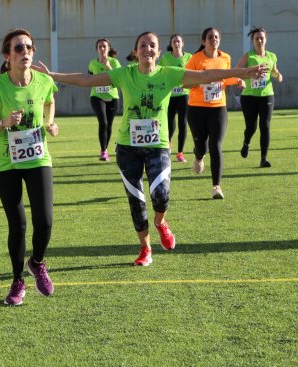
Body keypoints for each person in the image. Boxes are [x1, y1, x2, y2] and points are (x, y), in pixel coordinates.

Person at [33, 31, 266, 266]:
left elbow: (207, 75)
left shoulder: (169, 74)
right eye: (142, 45)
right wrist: (53, 75)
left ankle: (160, 222)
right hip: (127, 148)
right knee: (137, 203)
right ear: (136, 51)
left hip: (158, 146)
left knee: (161, 197)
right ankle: (146, 248)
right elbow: (87, 80)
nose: (147, 49)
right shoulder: (125, 74)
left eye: (152, 45)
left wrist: (243, 72)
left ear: (157, 50)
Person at [0, 28, 58, 305]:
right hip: (5, 164)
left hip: (38, 158)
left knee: (45, 221)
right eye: (18, 48)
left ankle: (37, 263)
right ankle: (17, 281)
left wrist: (50, 123)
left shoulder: (44, 81)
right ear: (7, 55)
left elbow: (50, 101)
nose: (25, 52)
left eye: (28, 47)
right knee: (18, 225)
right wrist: (4, 123)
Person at [185, 27, 246, 199]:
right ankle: (198, 156)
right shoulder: (195, 59)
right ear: (203, 41)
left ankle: (216, 186)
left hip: (218, 107)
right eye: (210, 37)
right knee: (201, 145)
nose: (214, 39)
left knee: (216, 145)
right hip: (197, 108)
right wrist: (201, 80)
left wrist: (238, 80)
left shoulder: (225, 58)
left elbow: (226, 77)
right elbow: (185, 81)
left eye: (216, 37)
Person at [235, 26, 283, 168]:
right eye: (257, 38)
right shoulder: (248, 56)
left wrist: (278, 76)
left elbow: (273, 71)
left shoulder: (271, 56)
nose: (260, 40)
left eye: (262, 38)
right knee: (251, 127)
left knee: (265, 126)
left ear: (266, 39)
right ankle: (246, 142)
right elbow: (237, 72)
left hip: (267, 95)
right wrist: (250, 74)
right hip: (249, 96)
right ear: (252, 40)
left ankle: (263, 159)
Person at [158, 34, 192, 162]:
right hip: (170, 96)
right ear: (171, 44)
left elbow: (195, 72)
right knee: (169, 124)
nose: (176, 43)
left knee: (183, 124)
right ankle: (168, 146)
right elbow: (160, 72)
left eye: (178, 41)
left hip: (184, 94)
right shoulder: (166, 58)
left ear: (182, 43)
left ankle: (180, 153)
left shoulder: (189, 57)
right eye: (174, 41)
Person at [88, 38, 121, 161]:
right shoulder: (92, 63)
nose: (102, 49)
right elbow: (90, 76)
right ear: (97, 49)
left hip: (112, 97)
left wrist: (108, 66)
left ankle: (106, 149)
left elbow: (118, 78)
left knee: (109, 125)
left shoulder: (115, 62)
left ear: (108, 49)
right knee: (103, 122)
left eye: (104, 47)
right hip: (97, 96)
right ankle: (103, 151)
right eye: (100, 47)